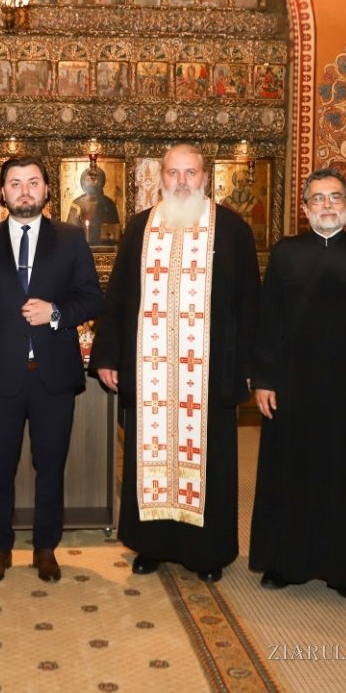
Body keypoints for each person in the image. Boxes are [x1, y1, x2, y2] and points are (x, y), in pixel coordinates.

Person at [91, 144, 260, 583]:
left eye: (190, 173)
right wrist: (108, 355)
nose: (182, 181)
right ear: (160, 178)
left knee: (209, 463)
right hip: (151, 376)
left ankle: (207, 552)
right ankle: (152, 545)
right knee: (148, 456)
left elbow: (249, 305)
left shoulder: (232, 230)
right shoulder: (140, 228)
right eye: (173, 173)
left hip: (208, 376)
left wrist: (248, 367)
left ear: (205, 177)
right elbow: (120, 297)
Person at [0, 157, 104, 583]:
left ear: (46, 191)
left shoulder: (71, 239)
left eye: (33, 183)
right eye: (15, 183)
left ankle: (46, 547)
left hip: (53, 376)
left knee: (51, 465)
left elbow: (93, 298)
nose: (24, 190)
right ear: (1, 193)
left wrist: (56, 312)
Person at [247, 168, 346, 599]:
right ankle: (283, 563)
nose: (327, 205)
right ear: (304, 207)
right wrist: (265, 378)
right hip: (292, 385)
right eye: (317, 199)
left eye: (334, 198)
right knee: (289, 472)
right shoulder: (286, 253)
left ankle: (344, 570)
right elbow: (268, 321)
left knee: (343, 476)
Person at [65, 166, 121, 246]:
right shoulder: (77, 204)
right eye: (89, 180)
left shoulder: (108, 204)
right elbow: (69, 231)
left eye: (96, 179)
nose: (93, 182)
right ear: (83, 182)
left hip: (104, 249)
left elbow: (115, 233)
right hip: (80, 247)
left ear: (102, 182)